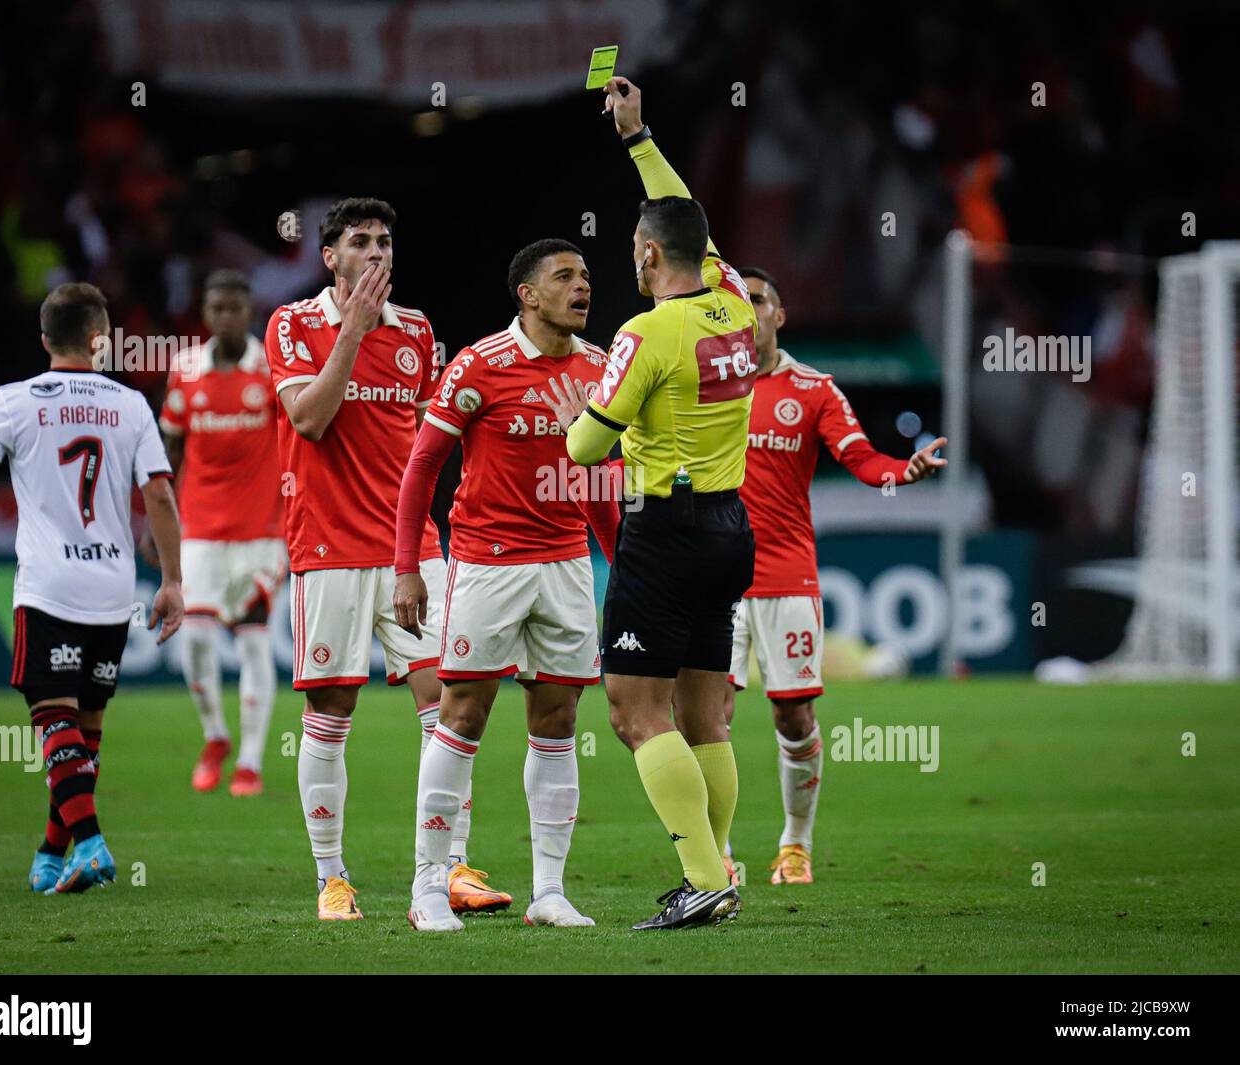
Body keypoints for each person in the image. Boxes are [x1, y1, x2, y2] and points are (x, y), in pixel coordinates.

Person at [544, 79, 755, 930]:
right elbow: (681, 212)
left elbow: (585, 450)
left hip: (664, 532)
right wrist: (637, 139)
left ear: (644, 255)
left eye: (635, 247)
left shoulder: (647, 332)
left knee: (636, 712)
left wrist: (577, 421)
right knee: (706, 717)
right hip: (731, 525)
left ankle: (707, 877)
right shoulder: (734, 301)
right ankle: (720, 869)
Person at [264, 197, 509, 920]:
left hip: (411, 548)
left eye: (385, 243)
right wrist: (351, 333)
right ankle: (331, 877)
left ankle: (450, 864)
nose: (377, 254)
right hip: (329, 546)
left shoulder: (420, 332)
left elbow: (431, 441)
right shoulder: (293, 323)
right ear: (330, 257)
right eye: (361, 242)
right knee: (330, 711)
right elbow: (308, 419)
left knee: (449, 704)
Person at [394, 238, 619, 932]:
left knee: (557, 721)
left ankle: (548, 891)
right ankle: (429, 885)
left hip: (566, 562)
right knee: (463, 715)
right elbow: (421, 468)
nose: (582, 286)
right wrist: (408, 565)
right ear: (528, 293)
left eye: (585, 276)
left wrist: (623, 567)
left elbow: (601, 483)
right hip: (488, 562)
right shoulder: (478, 364)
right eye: (565, 277)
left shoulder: (600, 368)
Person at [0, 282, 184, 893]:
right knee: (86, 728)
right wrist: (173, 581)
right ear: (102, 341)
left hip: (48, 586)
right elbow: (158, 494)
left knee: (54, 721)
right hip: (111, 585)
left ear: (45, 339)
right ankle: (53, 853)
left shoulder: (14, 401)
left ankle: (92, 843)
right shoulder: (131, 406)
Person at [726, 267, 947, 885]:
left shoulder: (814, 388)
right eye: (736, 303)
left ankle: (795, 845)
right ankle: (713, 854)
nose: (748, 311)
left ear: (779, 314)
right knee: (707, 717)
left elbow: (860, 457)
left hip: (785, 575)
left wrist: (905, 470)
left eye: (759, 300)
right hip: (713, 580)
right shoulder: (705, 386)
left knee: (793, 717)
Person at [148, 269, 285, 797]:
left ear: (248, 312)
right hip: (199, 528)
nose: (225, 316)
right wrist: (156, 521)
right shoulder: (185, 371)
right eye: (216, 308)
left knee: (253, 643)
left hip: (262, 529)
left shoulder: (272, 369)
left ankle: (250, 760)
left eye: (234, 308)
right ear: (205, 314)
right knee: (196, 638)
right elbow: (170, 451)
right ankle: (215, 735)